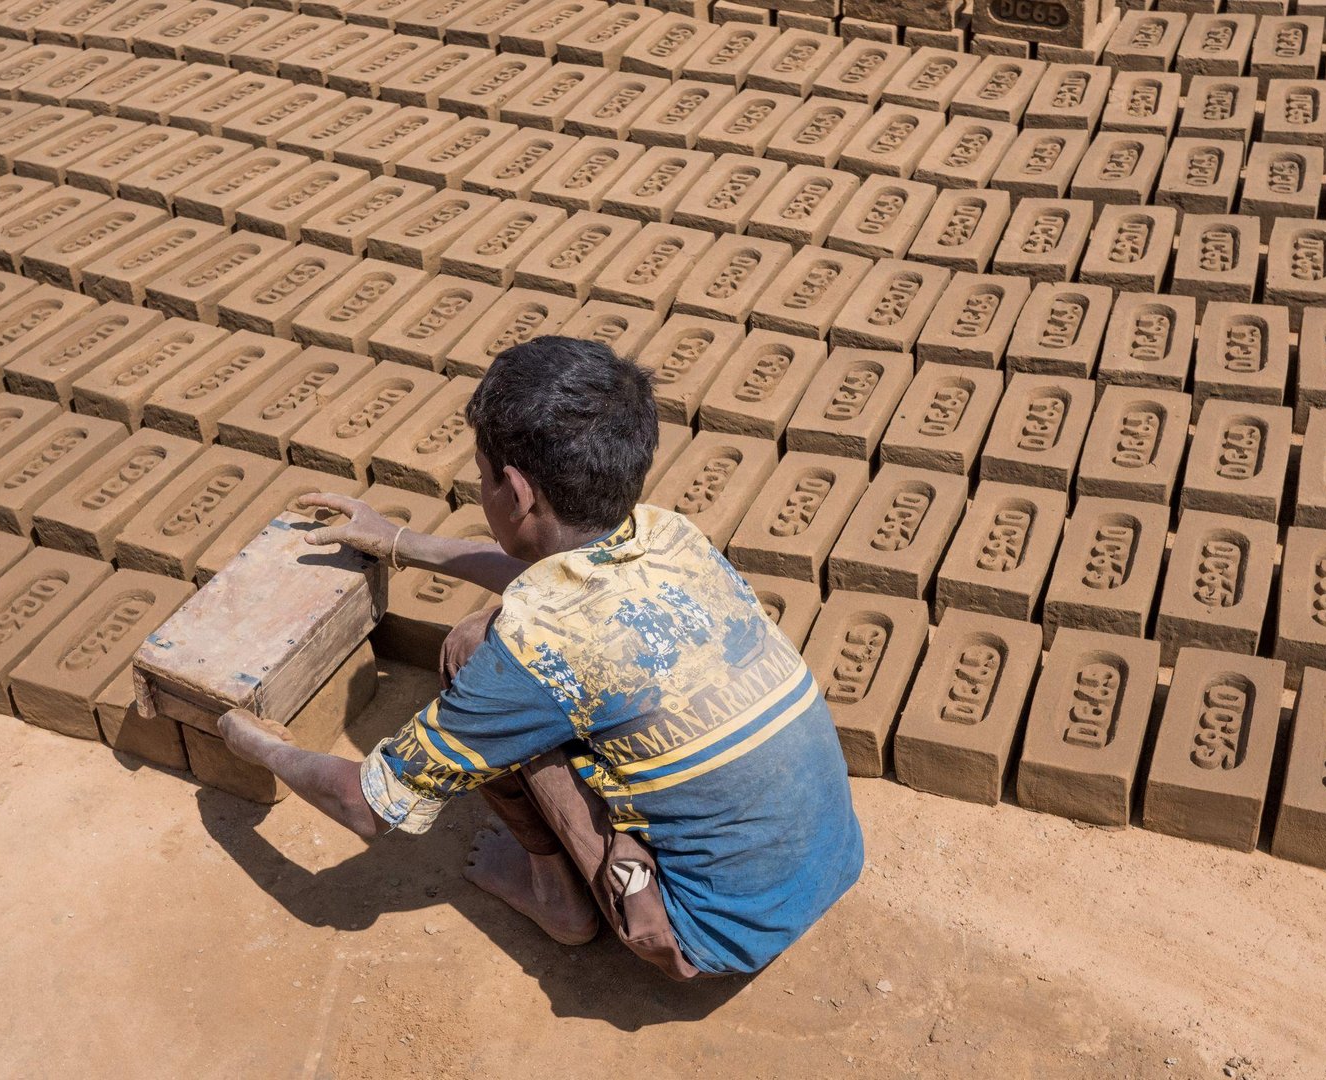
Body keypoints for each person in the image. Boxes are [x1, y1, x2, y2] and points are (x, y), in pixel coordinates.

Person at [218, 336, 864, 980]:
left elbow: (367, 806)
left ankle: (562, 902)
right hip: (833, 861)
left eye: (481, 474)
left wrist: (250, 740)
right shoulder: (669, 535)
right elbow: (558, 580)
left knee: (472, 654)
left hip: (708, 932)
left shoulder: (533, 655)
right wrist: (399, 542)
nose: (479, 487)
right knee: (547, 672)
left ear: (518, 491)